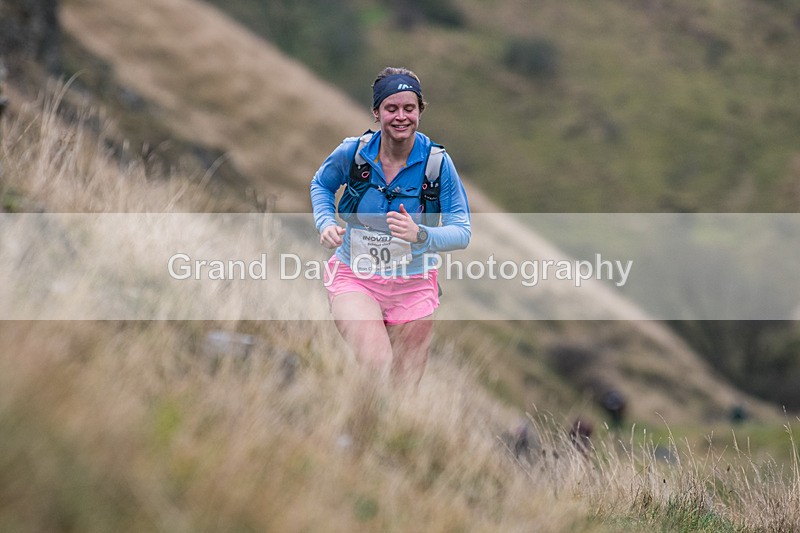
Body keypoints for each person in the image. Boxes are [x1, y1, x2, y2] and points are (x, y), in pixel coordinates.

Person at [310, 67, 470, 386]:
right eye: (391, 108)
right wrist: (325, 222)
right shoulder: (353, 154)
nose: (401, 117)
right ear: (376, 112)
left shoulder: (437, 164)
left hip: (414, 287)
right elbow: (321, 185)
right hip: (355, 277)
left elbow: (461, 230)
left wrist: (421, 234)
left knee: (404, 389)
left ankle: (370, 432)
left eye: (409, 108)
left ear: (420, 112)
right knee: (376, 361)